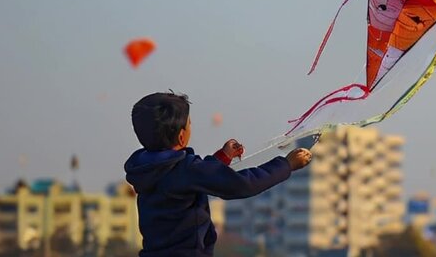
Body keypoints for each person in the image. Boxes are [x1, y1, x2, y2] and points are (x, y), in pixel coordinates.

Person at [124, 91, 312, 256]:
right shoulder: (187, 169)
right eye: (189, 124)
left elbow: (196, 176)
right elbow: (242, 184)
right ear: (182, 136)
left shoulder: (146, 170)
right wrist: (286, 165)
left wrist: (223, 157)